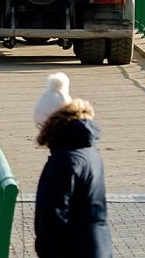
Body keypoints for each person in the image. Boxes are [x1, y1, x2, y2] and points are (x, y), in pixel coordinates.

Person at [33, 72, 112, 258]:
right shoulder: (88, 150)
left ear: (49, 123)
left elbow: (53, 215)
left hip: (74, 248)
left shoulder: (65, 161)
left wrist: (45, 249)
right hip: (97, 245)